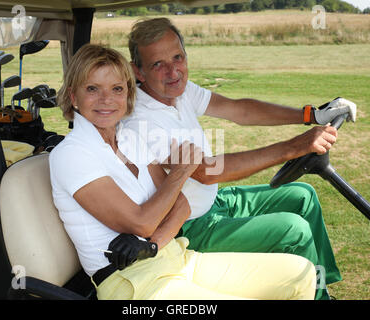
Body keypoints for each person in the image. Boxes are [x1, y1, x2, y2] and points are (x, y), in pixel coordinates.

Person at [49, 44, 317, 300]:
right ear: (73, 96)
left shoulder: (128, 138)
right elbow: (141, 222)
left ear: (127, 94)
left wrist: (152, 244)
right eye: (93, 89)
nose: (106, 100)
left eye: (117, 89)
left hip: (174, 257)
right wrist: (182, 170)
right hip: (132, 284)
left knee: (299, 275)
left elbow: (182, 206)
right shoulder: (72, 154)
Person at [122, 17, 357, 299]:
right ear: (138, 71)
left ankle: (321, 288)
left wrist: (311, 115)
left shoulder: (178, 92)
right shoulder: (141, 121)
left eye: (178, 57)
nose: (173, 71)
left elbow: (239, 110)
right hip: (189, 226)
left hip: (216, 201)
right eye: (158, 64)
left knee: (303, 196)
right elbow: (208, 171)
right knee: (293, 231)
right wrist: (293, 147)